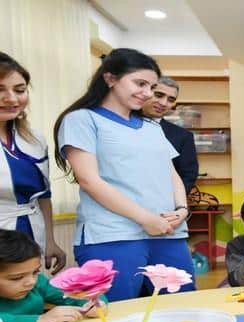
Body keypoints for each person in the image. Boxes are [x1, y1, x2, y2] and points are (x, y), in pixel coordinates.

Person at [53, 48, 195, 301]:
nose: (147, 93)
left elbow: (171, 173)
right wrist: (145, 218)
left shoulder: (152, 127)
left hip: (167, 232)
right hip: (112, 235)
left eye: (151, 87)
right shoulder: (82, 120)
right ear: (110, 79)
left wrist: (182, 210)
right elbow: (89, 180)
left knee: (181, 307)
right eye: (140, 84)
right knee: (118, 312)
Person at [0, 52, 66, 274]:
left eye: (19, 90)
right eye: (0, 89)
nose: (12, 99)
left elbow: (44, 195)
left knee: (30, 290)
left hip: (30, 233)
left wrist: (50, 240)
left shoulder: (34, 139)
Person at [0, 229, 103, 322]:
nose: (31, 281)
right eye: (17, 277)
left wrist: (94, 304)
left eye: (35, 272)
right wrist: (40, 320)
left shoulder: (39, 283)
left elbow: (78, 293)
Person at [141, 76, 199, 194]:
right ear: (146, 93)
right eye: (158, 95)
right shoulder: (119, 124)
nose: (164, 103)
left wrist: (173, 201)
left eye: (171, 100)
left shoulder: (183, 136)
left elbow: (188, 176)